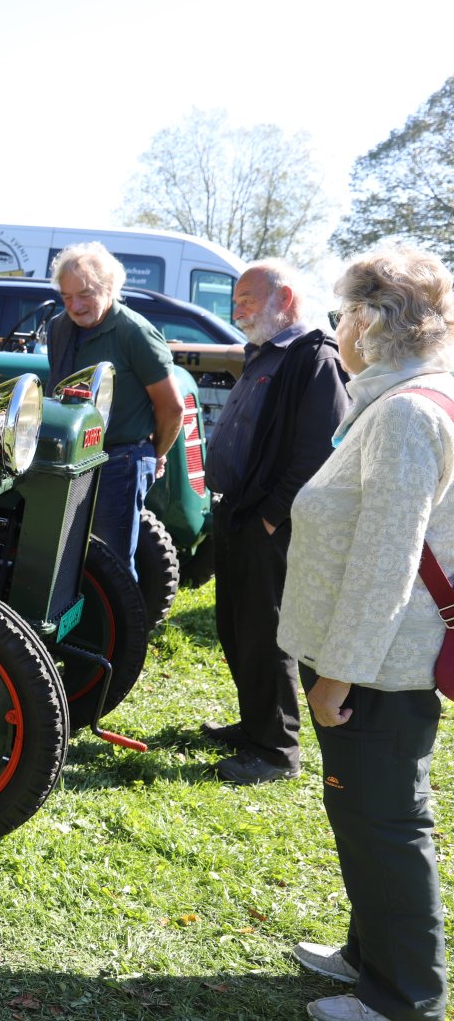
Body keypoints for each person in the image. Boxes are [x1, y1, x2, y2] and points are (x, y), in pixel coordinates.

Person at [278, 245, 454, 1021]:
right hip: (374, 658)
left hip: (377, 668)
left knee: (385, 823)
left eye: (341, 310)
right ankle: (368, 953)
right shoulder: (403, 397)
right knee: (363, 812)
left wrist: (337, 674)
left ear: (369, 320)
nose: (335, 325)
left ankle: (404, 999)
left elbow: (386, 561)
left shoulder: (408, 412)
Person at [201, 260, 349, 786]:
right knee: (236, 628)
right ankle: (254, 727)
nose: (236, 309)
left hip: (268, 523)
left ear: (284, 299)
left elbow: (321, 450)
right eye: (235, 300)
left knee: (266, 635)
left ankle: (276, 750)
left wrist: (270, 516)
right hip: (237, 513)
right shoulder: (265, 352)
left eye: (246, 299)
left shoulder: (315, 357)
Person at [45, 242, 184, 575]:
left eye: (85, 294)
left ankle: (122, 613)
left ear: (109, 287)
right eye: (66, 297)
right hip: (71, 458)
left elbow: (172, 408)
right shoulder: (59, 328)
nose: (75, 306)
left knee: (112, 565)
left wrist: (155, 453)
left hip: (120, 460)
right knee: (65, 553)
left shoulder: (135, 333)